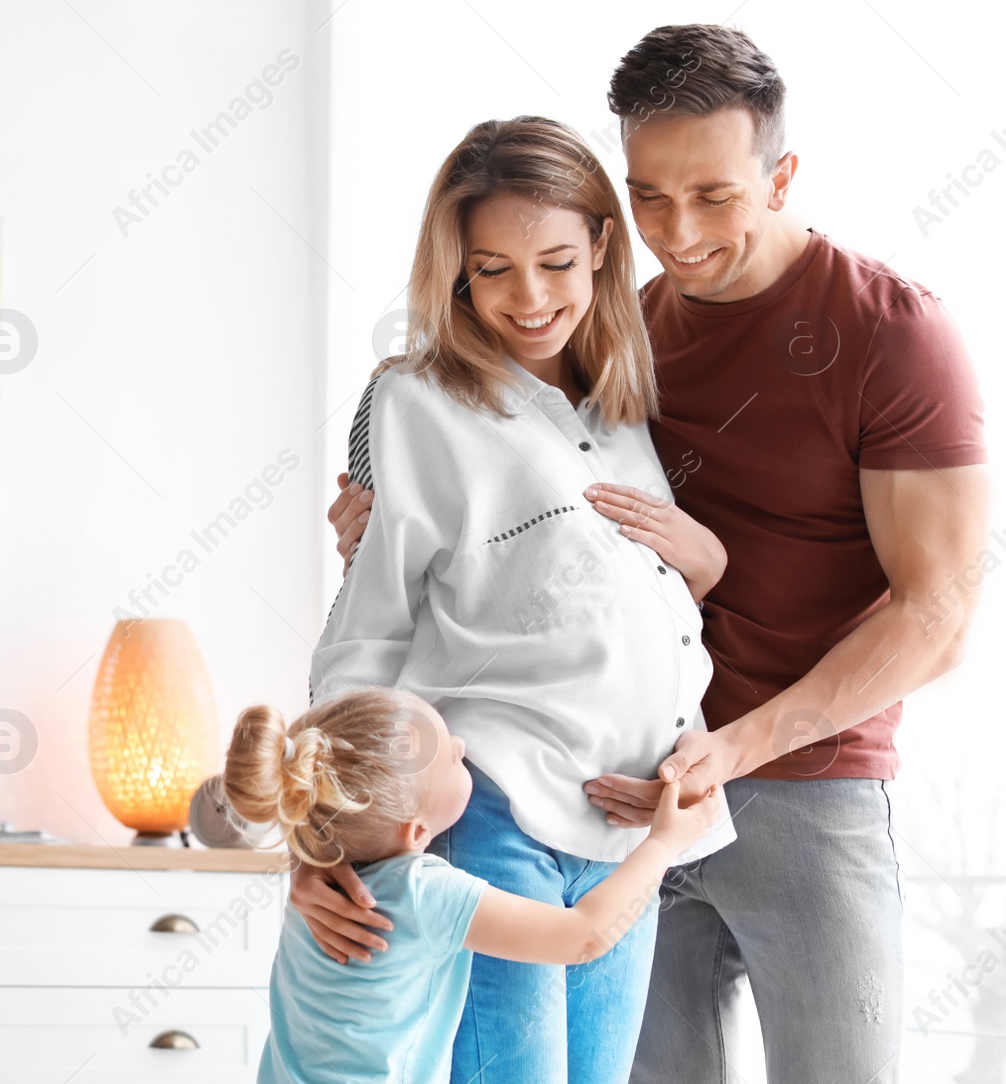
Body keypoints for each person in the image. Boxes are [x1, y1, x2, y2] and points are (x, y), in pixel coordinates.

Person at [320, 25, 989, 1084]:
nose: (677, 233)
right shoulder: (609, 338)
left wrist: (735, 749)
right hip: (594, 792)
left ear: (782, 175)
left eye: (714, 196)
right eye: (650, 196)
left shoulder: (889, 333)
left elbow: (940, 612)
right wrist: (382, 507)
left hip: (803, 784)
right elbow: (482, 520)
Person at [295, 114, 735, 1083]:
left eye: (555, 262)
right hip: (495, 809)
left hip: (626, 829)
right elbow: (365, 632)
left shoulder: (624, 407)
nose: (528, 297)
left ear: (601, 249)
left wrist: (703, 561)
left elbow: (624, 597)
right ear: (454, 272)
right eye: (490, 268)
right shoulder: (418, 402)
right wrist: (321, 834)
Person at [223, 688, 723, 1084]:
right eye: (452, 761)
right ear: (416, 831)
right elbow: (584, 936)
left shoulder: (316, 889)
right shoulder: (424, 892)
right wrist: (662, 842)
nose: (463, 746)